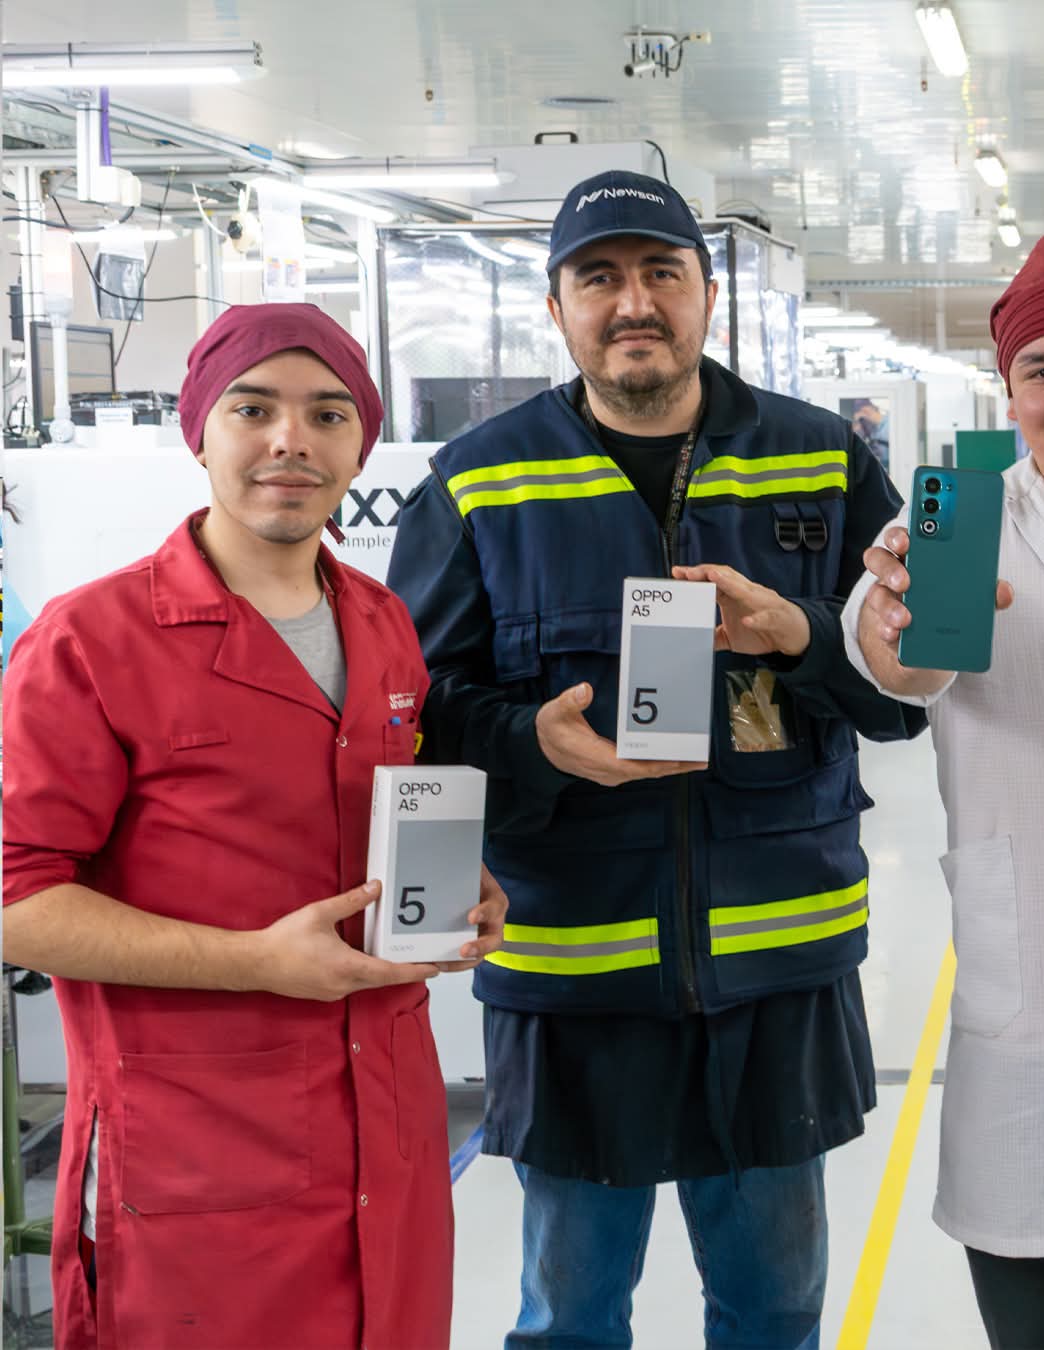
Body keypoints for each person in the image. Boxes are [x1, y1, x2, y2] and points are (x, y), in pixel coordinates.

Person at [387, 170, 925, 1349]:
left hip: (777, 968)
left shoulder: (823, 462)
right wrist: (533, 744)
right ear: (557, 307)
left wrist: (800, 635)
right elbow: (411, 713)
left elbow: (907, 699)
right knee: (570, 1320)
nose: (633, 303)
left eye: (660, 273)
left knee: (774, 1315)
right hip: (573, 975)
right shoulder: (480, 481)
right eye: (599, 278)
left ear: (708, 294)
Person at [2, 303, 508, 1350]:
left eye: (328, 413)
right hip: (193, 1159)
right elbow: (16, 899)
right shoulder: (91, 640)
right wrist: (254, 962)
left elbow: (373, 810)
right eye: (253, 409)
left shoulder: (382, 622)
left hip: (388, 1130)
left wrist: (456, 876)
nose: (292, 440)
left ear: (360, 446)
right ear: (200, 433)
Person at [842, 234, 1044, 1350]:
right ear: (1009, 390)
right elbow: (897, 658)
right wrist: (895, 635)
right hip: (1039, 1002)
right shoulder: (954, 526)